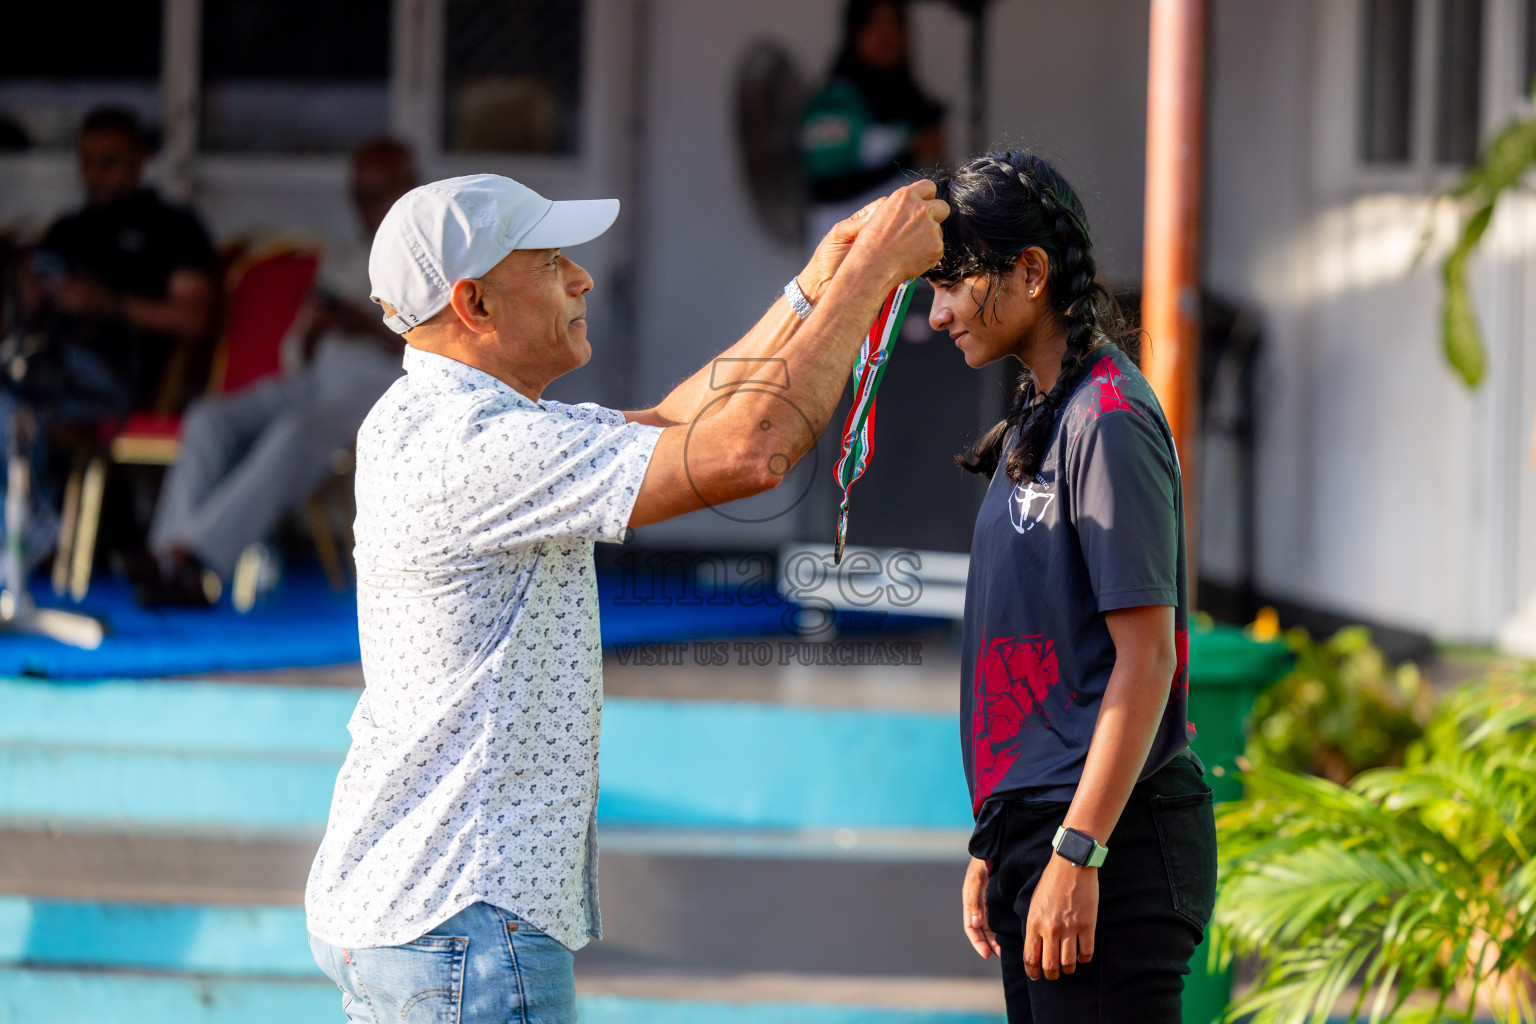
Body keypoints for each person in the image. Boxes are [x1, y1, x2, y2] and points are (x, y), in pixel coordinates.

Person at [303, 173, 946, 1022]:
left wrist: (816, 286)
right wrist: (872, 281)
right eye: (551, 262)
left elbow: (677, 424)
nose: (582, 280)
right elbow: (749, 451)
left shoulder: (438, 413)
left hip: (412, 913)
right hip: (464, 920)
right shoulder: (474, 446)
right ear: (476, 305)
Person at [926, 152, 1216, 1022]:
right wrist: (998, 836)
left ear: (1031, 272)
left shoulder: (1108, 420)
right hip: (1044, 831)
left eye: (952, 284)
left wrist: (1078, 850)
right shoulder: (1040, 417)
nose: (937, 315)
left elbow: (1146, 658)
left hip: (1111, 846)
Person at [130, 139, 420, 606]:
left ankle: (194, 557)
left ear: (410, 187)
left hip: (383, 390)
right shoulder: (346, 255)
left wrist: (358, 324)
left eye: (376, 193)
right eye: (359, 195)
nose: (366, 207)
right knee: (209, 419)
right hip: (315, 378)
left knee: (295, 429)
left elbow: (438, 352)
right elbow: (294, 355)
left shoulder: (436, 258)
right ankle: (167, 554)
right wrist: (314, 328)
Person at [3, 107, 218, 568]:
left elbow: (194, 319)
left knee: (15, 403)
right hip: (47, 363)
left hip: (123, 377)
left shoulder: (173, 228)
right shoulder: (66, 229)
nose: (95, 174)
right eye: (86, 161)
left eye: (109, 161)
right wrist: (29, 295)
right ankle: (27, 532)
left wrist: (107, 304)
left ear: (141, 160)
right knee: (14, 393)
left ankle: (32, 533)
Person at [801, 0, 946, 242]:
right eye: (876, 24)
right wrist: (910, 155)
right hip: (844, 255)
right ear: (855, 32)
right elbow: (827, 187)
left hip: (900, 251)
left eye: (895, 24)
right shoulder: (833, 101)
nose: (887, 35)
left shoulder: (913, 99)